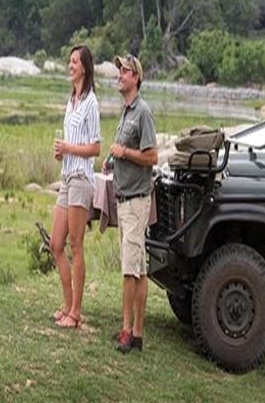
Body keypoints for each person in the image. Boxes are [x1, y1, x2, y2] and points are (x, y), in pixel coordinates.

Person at [106, 54, 158, 353]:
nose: (119, 75)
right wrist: (113, 160)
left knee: (129, 270)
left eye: (124, 71)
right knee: (138, 268)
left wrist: (123, 152)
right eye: (119, 71)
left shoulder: (143, 112)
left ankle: (127, 331)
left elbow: (152, 157)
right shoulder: (126, 112)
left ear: (136, 77)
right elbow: (125, 150)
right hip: (124, 198)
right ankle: (137, 333)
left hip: (137, 202)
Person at [49, 44, 101, 329]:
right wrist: (62, 152)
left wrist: (69, 148)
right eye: (69, 61)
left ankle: (76, 312)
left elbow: (95, 148)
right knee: (56, 244)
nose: (70, 66)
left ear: (85, 68)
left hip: (82, 178)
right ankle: (68, 304)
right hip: (67, 176)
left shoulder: (91, 103)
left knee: (75, 244)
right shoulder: (72, 101)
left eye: (74, 62)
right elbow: (70, 145)